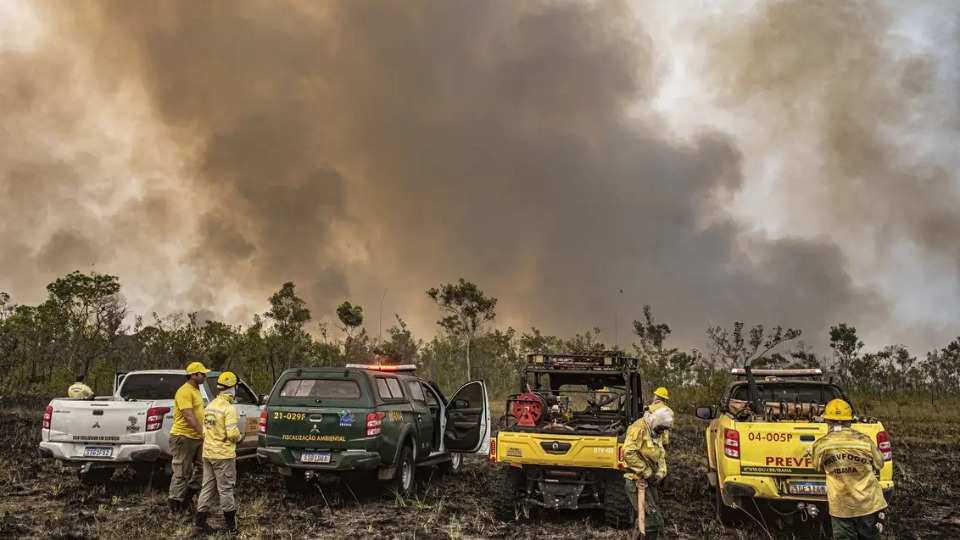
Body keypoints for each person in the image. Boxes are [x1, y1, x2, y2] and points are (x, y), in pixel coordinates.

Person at [812, 399, 888, 540]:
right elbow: (880, 464)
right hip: (868, 505)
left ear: (827, 420)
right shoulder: (865, 441)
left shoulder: (821, 445)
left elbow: (817, 466)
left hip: (841, 508)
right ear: (850, 420)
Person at [194, 371, 244, 536]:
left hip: (208, 453)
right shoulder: (228, 409)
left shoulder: (210, 406)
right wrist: (240, 437)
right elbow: (232, 434)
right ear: (232, 388)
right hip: (223, 455)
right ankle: (230, 526)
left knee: (207, 487)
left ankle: (199, 523)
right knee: (226, 489)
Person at [623, 406, 674, 540]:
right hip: (636, 480)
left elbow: (661, 454)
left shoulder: (658, 433)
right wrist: (647, 472)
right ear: (655, 422)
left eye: (664, 430)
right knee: (652, 520)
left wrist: (660, 474)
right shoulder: (639, 428)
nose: (662, 432)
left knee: (649, 521)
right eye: (660, 429)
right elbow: (628, 453)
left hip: (650, 481)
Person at [168, 361, 210, 514]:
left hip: (196, 437)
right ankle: (175, 507)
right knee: (182, 473)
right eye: (202, 374)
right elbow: (188, 415)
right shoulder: (184, 391)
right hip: (183, 437)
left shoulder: (197, 390)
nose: (204, 376)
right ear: (193, 375)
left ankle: (187, 498)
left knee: (203, 469)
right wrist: (203, 432)